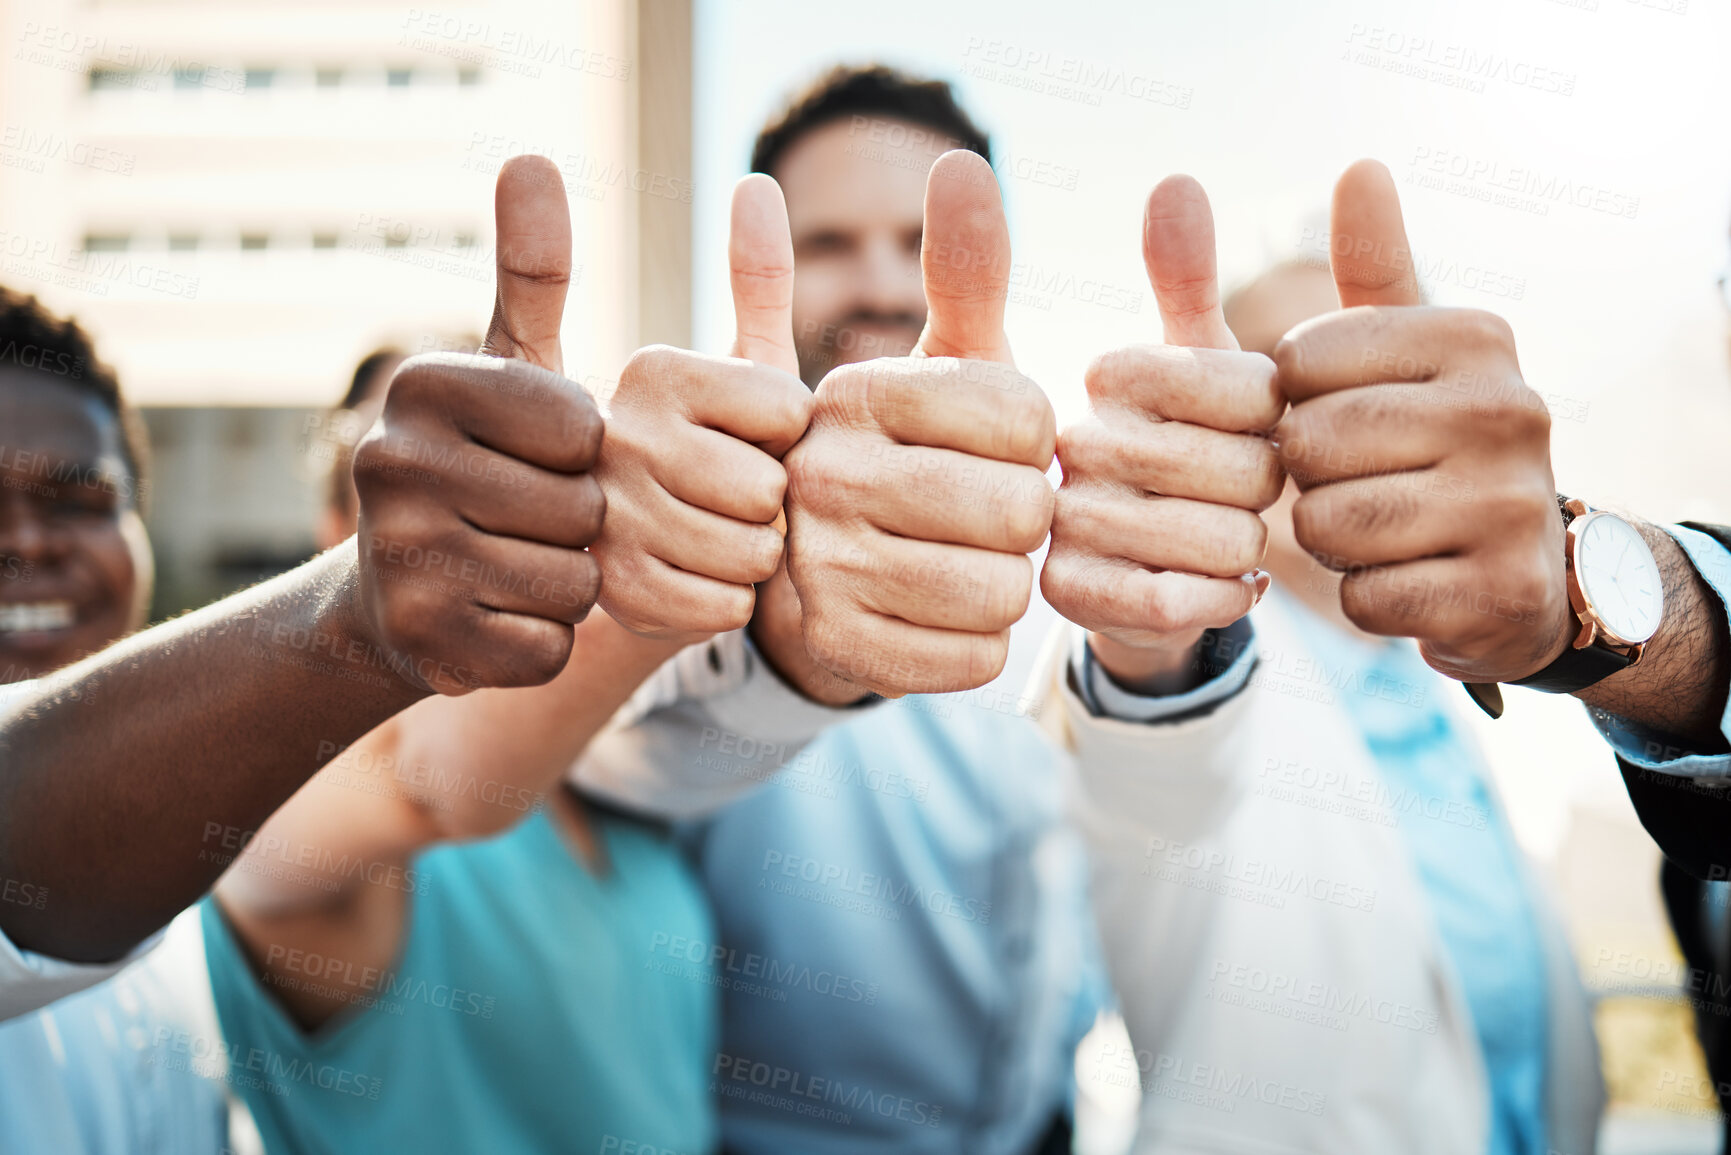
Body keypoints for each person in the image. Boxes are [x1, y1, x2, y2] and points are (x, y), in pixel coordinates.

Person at [565, 69, 1502, 1153]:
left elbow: (1157, 818)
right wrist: (789, 641)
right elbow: (615, 760)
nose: (877, 284)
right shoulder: (683, 503)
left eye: (917, 243)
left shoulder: (1058, 520)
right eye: (829, 243)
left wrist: (1156, 653)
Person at [195, 166, 812, 1150]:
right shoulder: (301, 807)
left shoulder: (629, 795)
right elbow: (421, 779)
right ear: (327, 543)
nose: (475, 512)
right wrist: (654, 609)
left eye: (510, 467)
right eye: (403, 478)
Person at [1222, 256, 1604, 1155]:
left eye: (1378, 384)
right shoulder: (1179, 675)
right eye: (1292, 385)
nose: (1342, 424)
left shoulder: (1441, 682)